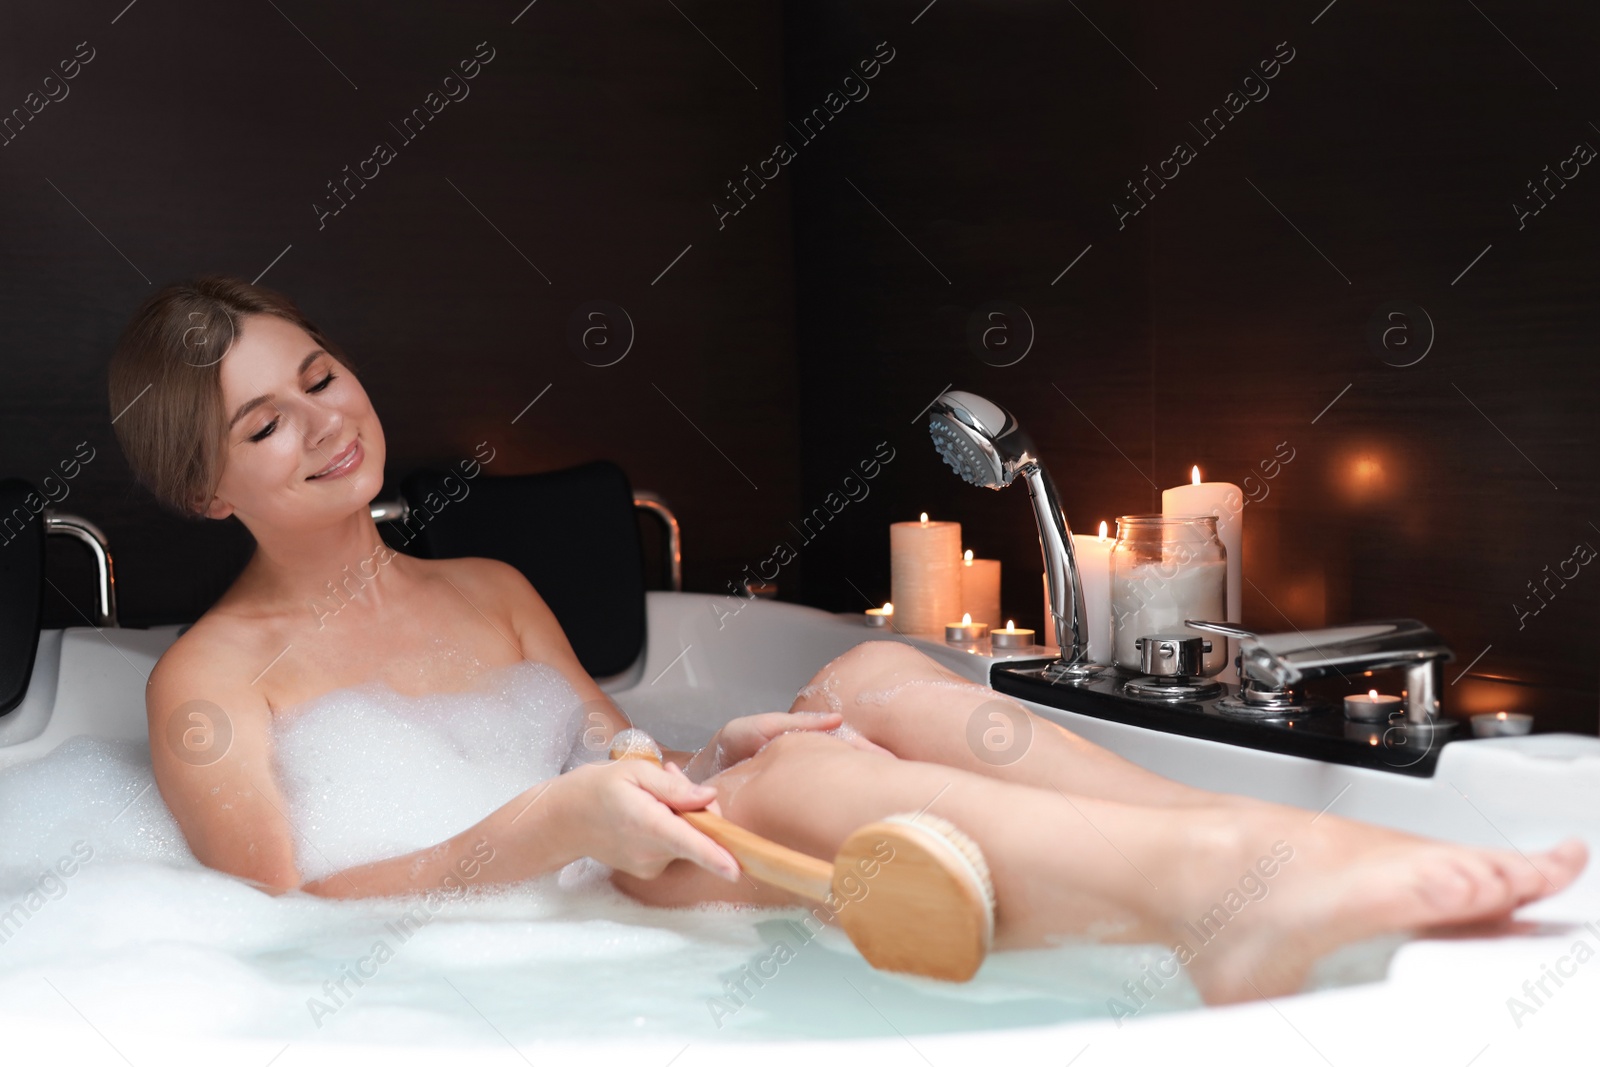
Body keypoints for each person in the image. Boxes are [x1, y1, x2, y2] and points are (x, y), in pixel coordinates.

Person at [108, 276, 1586, 1006]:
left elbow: (604, 740)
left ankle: (1272, 852)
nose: (323, 421)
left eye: (319, 375)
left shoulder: (486, 586)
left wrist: (679, 753)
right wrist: (552, 820)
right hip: (533, 893)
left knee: (874, 676)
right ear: (201, 483)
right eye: (262, 421)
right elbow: (293, 913)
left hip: (622, 834)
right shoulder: (210, 684)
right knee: (788, 793)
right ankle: (1219, 900)